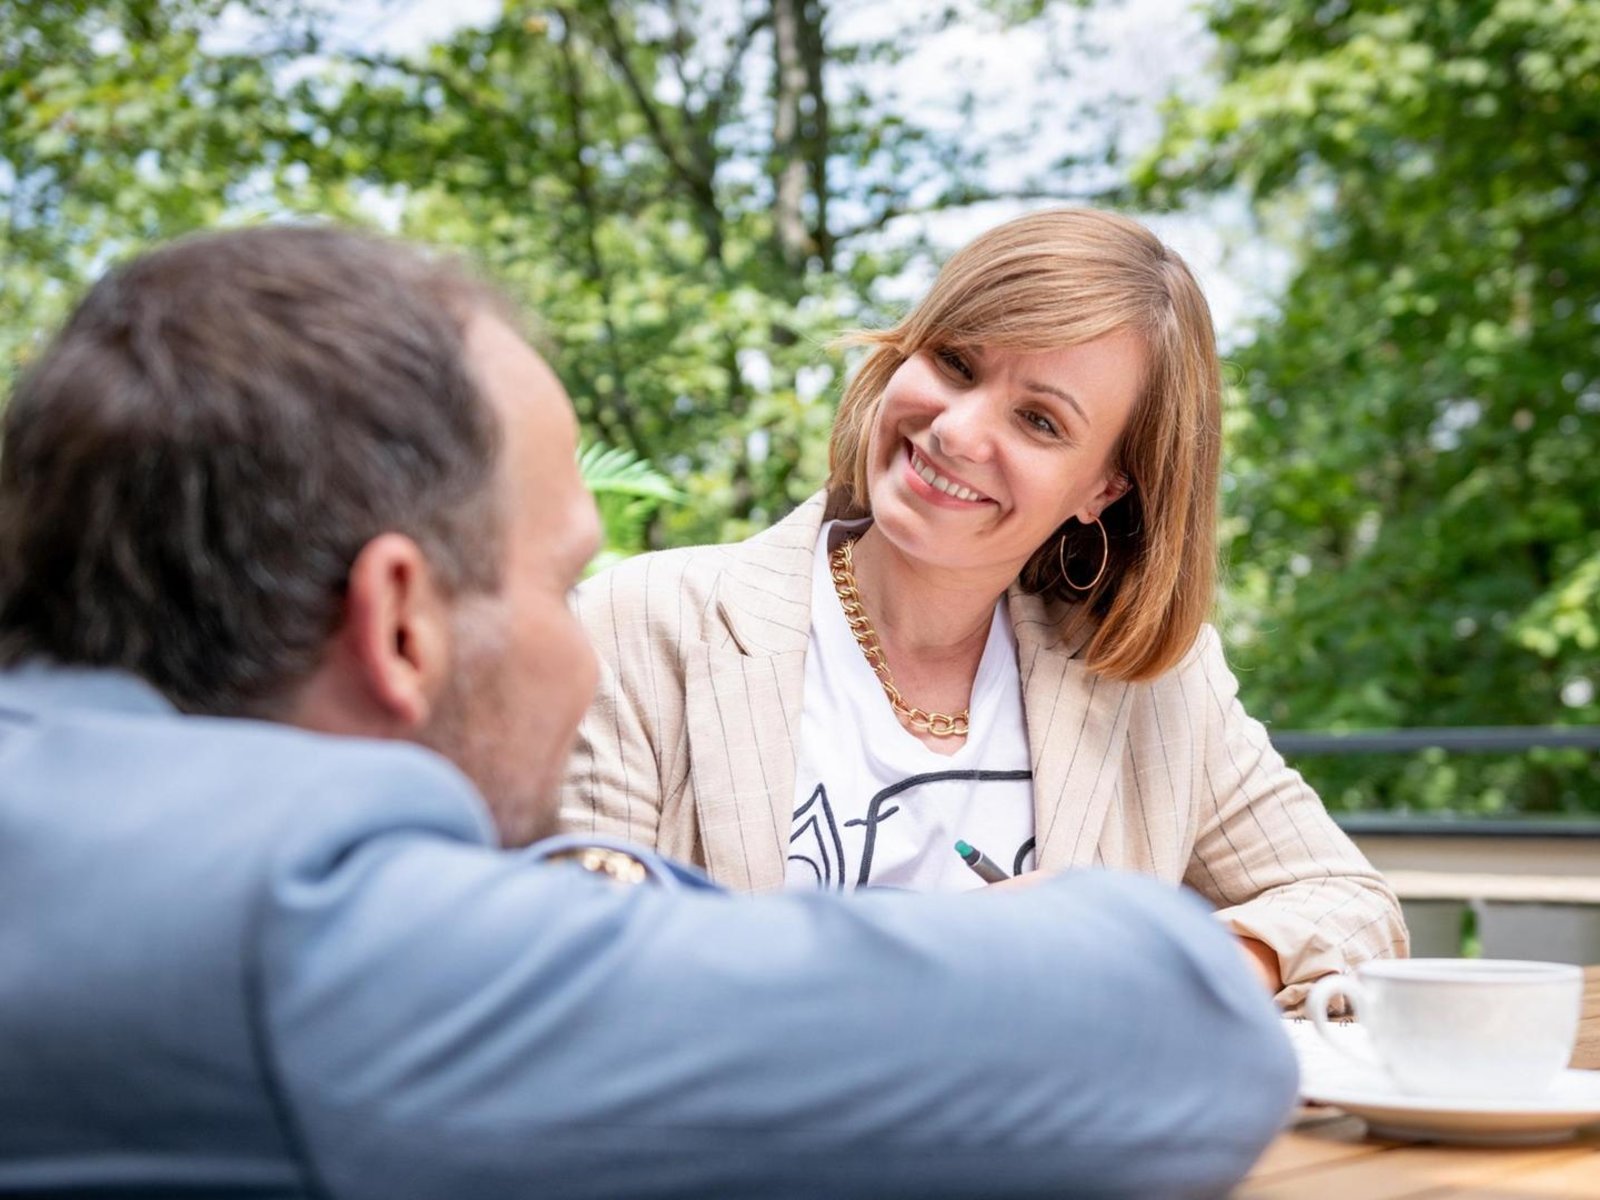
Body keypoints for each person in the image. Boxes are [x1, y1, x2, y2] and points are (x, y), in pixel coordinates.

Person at [0, 224, 1297, 1199]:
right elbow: (1169, 1025)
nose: (588, 644)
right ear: (400, 622)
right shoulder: (305, 946)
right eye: (564, 582)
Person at [562, 207, 1408, 1008]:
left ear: (1105, 487)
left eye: (1039, 421)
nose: (958, 432)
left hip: (1053, 1159)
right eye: (956, 364)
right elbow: (579, 961)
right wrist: (931, 949)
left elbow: (1353, 909)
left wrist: (1155, 958)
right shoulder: (645, 622)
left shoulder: (1150, 685)